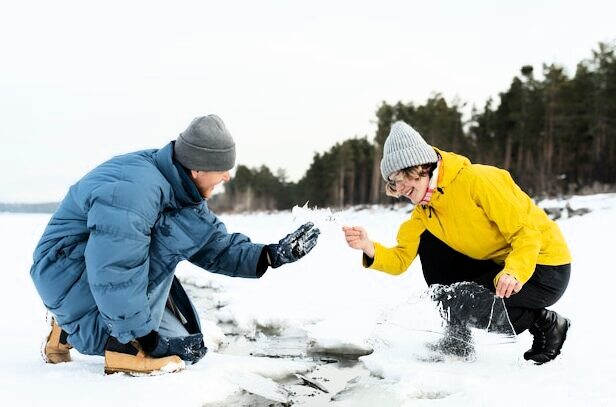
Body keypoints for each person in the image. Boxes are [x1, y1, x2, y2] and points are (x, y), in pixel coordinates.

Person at [31, 115, 320, 375]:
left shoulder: (179, 189)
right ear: (197, 168)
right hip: (64, 271)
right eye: (222, 168)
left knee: (183, 345)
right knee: (136, 338)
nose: (227, 176)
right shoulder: (136, 190)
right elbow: (114, 266)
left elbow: (214, 245)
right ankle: (123, 347)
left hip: (89, 275)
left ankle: (66, 329)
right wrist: (142, 340)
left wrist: (270, 256)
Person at [342, 121, 571, 364]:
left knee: (470, 303)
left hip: (543, 266)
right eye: (392, 182)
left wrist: (514, 271)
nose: (398, 190)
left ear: (418, 166)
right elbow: (400, 260)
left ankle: (545, 323)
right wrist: (368, 247)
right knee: (430, 244)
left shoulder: (478, 180)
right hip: (500, 266)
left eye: (399, 178)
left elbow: (526, 232)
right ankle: (457, 338)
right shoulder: (425, 211)